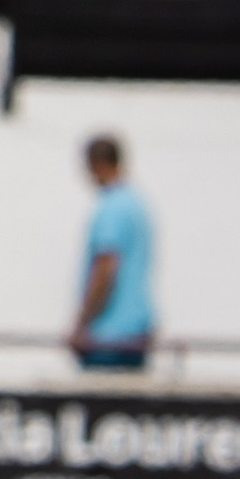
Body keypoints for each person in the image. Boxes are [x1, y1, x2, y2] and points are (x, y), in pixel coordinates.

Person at [72, 134, 155, 373]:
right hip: (137, 331)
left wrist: (82, 323)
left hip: (108, 336)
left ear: (97, 165)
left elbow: (106, 266)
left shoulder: (112, 208)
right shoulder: (136, 205)